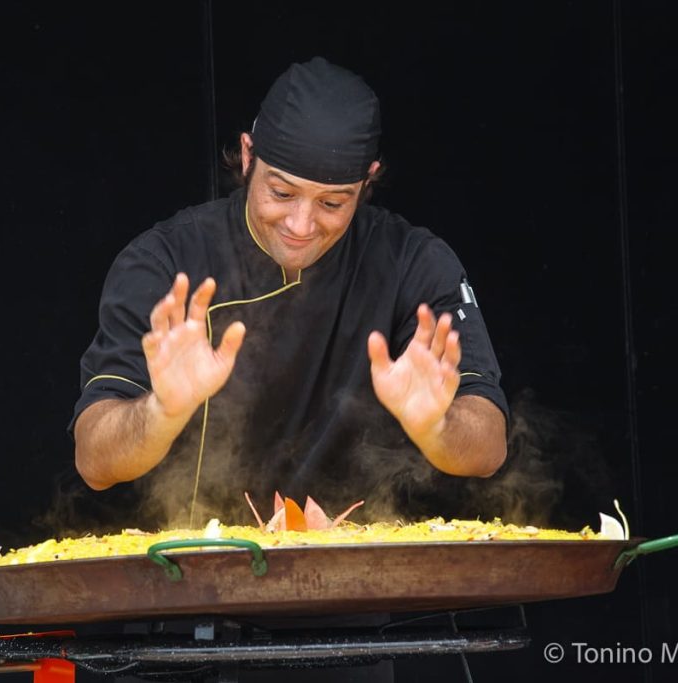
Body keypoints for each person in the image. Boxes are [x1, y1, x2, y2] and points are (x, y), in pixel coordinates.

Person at [70, 57, 507, 529]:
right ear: (247, 155)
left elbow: (488, 449)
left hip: (357, 577)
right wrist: (162, 409)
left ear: (367, 181)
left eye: (332, 203)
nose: (301, 225)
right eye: (281, 193)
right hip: (193, 573)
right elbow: (94, 462)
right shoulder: (163, 262)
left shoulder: (415, 263)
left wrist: (436, 428)